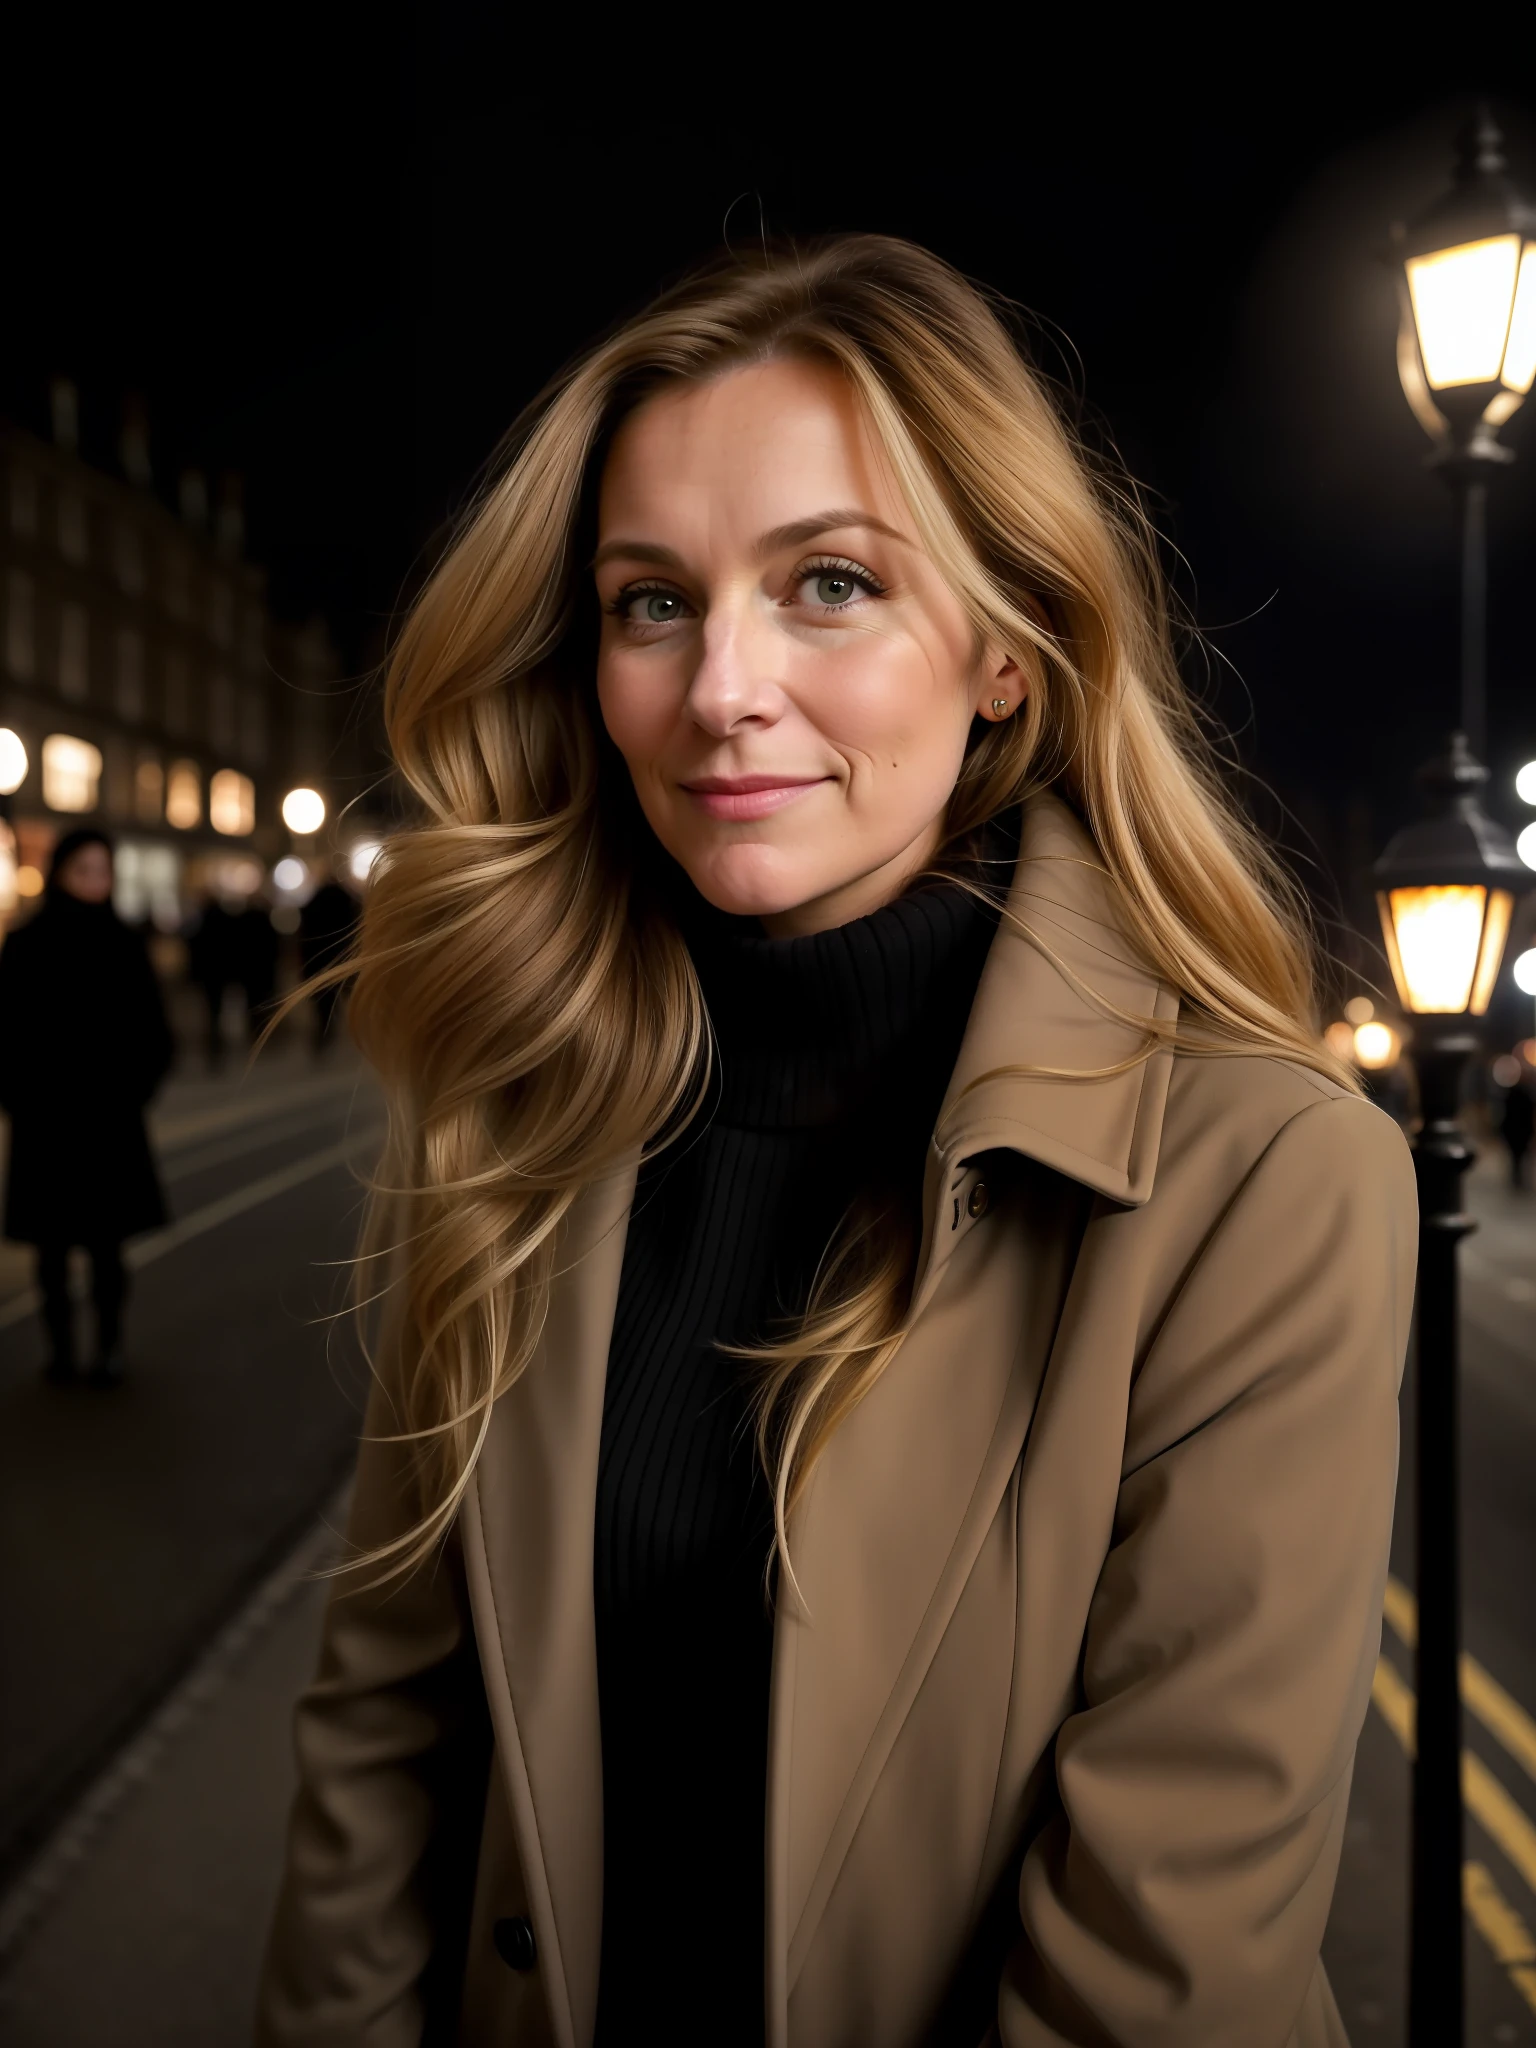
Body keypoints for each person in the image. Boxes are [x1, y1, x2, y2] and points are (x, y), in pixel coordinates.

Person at [258, 239, 1416, 2047]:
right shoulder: (514, 1116)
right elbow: (383, 1746)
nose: (720, 686)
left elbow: (1159, 1956)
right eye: (651, 601)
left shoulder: (1262, 1179)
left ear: (1008, 653)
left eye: (826, 583)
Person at [0, 828, 173, 1385]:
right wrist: (16, 1096)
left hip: (108, 1118)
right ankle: (59, 1353)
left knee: (106, 1243)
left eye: (102, 871)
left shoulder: (123, 942)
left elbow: (154, 1031)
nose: (95, 882)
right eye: (84, 871)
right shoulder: (26, 942)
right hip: (45, 1118)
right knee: (50, 1247)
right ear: (60, 872)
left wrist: (136, 1089)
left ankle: (108, 1345)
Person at [296, 863, 358, 1053]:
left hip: (319, 961)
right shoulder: (347, 901)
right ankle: (350, 1031)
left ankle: (325, 1032)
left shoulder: (313, 903)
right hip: (343, 957)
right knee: (348, 997)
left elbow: (304, 936)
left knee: (323, 1002)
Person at [185, 888, 241, 1069]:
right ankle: (217, 1043)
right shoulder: (225, 920)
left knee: (211, 1010)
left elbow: (192, 947)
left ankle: (214, 1044)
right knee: (217, 1009)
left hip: (208, 973)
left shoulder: (200, 921)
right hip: (221, 973)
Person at [1499, 1071, 1535, 1188]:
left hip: (1514, 1130)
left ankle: (1516, 1177)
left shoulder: (1511, 1093)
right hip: (1521, 1130)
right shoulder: (1526, 1095)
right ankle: (1518, 1178)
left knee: (1516, 1157)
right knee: (1520, 1156)